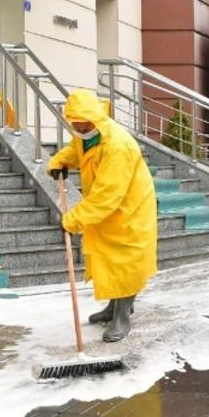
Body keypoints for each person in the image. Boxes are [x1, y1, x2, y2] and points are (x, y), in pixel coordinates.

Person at [46, 89, 157, 343]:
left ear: (95, 118)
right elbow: (76, 151)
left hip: (130, 207)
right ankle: (113, 307)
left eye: (84, 122)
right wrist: (58, 162)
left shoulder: (117, 145)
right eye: (75, 123)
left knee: (126, 261)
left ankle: (122, 316)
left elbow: (107, 196)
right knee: (108, 259)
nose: (80, 127)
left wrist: (73, 220)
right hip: (106, 205)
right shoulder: (86, 134)